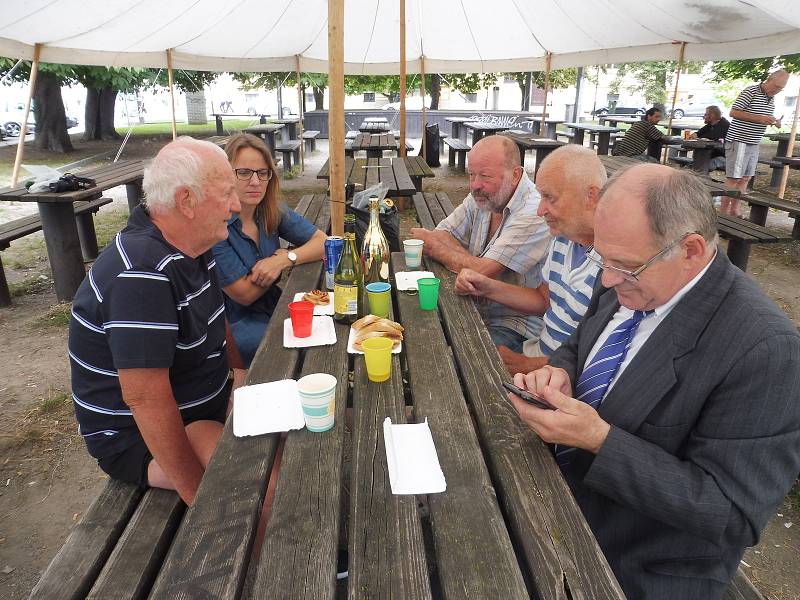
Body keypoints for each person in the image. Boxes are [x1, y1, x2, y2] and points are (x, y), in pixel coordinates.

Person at [507, 163, 800, 600]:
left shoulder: (765, 348)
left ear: (692, 250)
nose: (606, 279)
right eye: (602, 259)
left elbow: (733, 513)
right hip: (556, 495)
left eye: (623, 266)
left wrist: (601, 441)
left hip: (639, 561)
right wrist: (561, 370)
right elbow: (578, 342)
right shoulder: (629, 276)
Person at [69, 137, 246, 506]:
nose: (236, 204)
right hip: (138, 436)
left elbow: (216, 316)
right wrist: (202, 497)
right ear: (187, 201)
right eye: (227, 193)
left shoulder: (191, 243)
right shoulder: (140, 274)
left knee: (289, 446)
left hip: (201, 407)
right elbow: (145, 399)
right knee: (253, 487)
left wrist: (239, 374)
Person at [454, 145, 605, 376]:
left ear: (591, 196)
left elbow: (604, 359)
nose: (540, 210)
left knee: (461, 373)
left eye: (550, 198)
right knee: (455, 355)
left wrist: (530, 366)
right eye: (540, 196)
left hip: (559, 375)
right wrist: (487, 287)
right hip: (537, 353)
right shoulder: (563, 237)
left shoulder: (614, 264)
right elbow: (544, 300)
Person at [409, 135, 551, 353]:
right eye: (471, 175)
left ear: (515, 176)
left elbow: (483, 272)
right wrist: (469, 264)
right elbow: (443, 233)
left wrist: (438, 250)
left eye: (485, 176)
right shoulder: (485, 195)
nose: (475, 185)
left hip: (514, 324)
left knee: (450, 357)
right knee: (415, 331)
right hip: (474, 306)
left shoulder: (533, 211)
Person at [213, 133, 326, 366]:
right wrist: (280, 265)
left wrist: (285, 259)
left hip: (274, 305)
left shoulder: (270, 210)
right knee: (297, 347)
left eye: (262, 173)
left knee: (325, 328)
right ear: (226, 175)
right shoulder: (216, 225)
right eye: (243, 173)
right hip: (234, 324)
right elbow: (243, 295)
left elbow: (324, 242)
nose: (255, 182)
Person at [722, 70, 789, 217]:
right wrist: (759, 118)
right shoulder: (751, 91)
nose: (777, 91)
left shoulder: (771, 98)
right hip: (739, 139)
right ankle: (724, 213)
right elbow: (733, 112)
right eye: (776, 86)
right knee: (734, 177)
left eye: (781, 89)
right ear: (769, 79)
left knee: (746, 177)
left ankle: (735, 210)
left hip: (754, 141)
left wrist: (774, 121)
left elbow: (763, 116)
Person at [688, 105, 730, 170]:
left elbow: (710, 137)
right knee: (697, 163)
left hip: (724, 157)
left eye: (706, 115)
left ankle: (700, 176)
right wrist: (696, 135)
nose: (704, 117)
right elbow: (697, 134)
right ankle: (699, 174)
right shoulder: (710, 125)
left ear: (712, 116)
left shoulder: (724, 125)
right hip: (711, 155)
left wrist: (698, 138)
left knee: (701, 166)